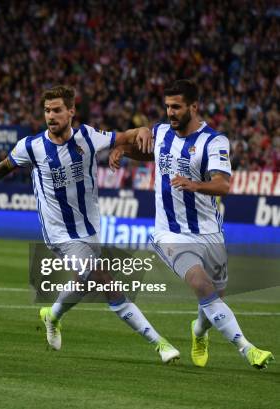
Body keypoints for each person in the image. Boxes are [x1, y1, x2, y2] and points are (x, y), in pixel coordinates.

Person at [0, 85, 180, 363]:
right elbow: (6, 165)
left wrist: (142, 132)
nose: (50, 116)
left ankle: (52, 316)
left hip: (90, 229)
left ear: (71, 111)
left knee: (84, 281)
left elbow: (125, 137)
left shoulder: (88, 137)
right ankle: (160, 344)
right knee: (105, 281)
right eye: (46, 111)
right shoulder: (32, 146)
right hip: (60, 234)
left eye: (56, 110)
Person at [110, 79, 274, 369]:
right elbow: (146, 151)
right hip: (169, 233)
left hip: (210, 235)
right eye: (167, 107)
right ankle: (247, 349)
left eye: (177, 107)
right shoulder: (160, 133)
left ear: (194, 107)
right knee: (200, 284)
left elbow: (223, 185)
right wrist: (124, 150)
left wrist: (194, 185)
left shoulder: (214, 141)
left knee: (212, 298)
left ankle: (198, 332)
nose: (170, 112)